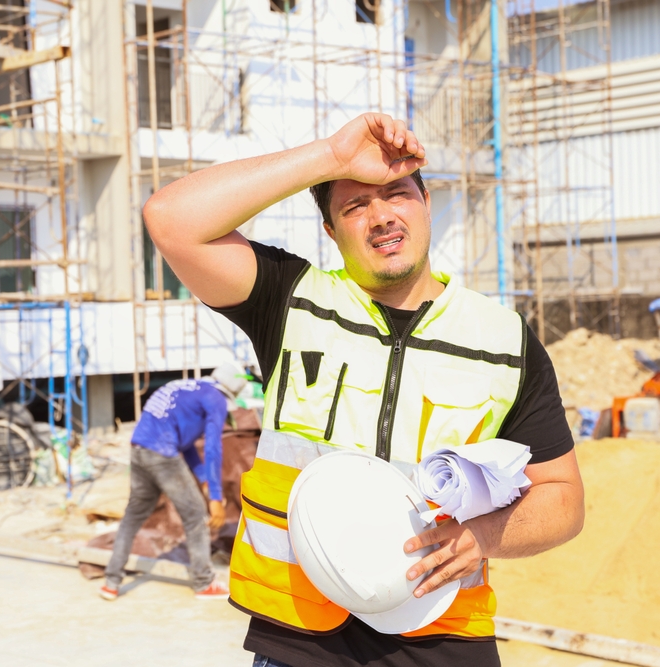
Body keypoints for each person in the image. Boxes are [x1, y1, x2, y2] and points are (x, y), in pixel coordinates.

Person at [142, 113, 584, 667]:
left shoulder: (503, 341)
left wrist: (487, 535)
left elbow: (563, 498)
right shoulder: (291, 300)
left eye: (397, 194)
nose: (381, 217)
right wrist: (331, 155)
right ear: (331, 230)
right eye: (354, 206)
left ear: (426, 202)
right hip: (300, 638)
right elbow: (170, 219)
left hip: (442, 636)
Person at [101, 361, 248, 601]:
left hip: (138, 449)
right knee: (197, 517)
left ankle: (111, 581)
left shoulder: (186, 387)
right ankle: (204, 582)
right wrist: (215, 497)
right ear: (232, 392)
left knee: (133, 516)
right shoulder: (216, 398)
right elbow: (212, 448)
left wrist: (203, 479)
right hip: (162, 454)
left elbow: (186, 444)